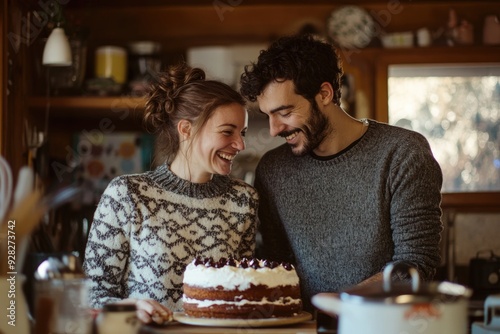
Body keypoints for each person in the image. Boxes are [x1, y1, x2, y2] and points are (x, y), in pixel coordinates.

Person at [239, 34, 443, 312]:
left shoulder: (403, 153)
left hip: (383, 326)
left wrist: (343, 302)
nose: (274, 129)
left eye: (284, 112)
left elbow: (416, 263)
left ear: (325, 94)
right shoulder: (273, 170)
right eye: (268, 116)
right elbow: (277, 265)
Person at [84, 63, 259, 324]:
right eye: (227, 132)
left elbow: (245, 293)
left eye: (242, 133)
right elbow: (89, 296)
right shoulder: (127, 195)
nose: (240, 144)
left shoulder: (243, 200)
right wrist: (128, 307)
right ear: (186, 130)